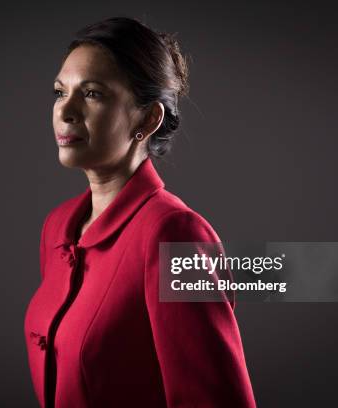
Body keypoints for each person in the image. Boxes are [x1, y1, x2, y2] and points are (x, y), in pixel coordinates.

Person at [24, 16, 256, 408]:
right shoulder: (59, 227)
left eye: (93, 94)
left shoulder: (175, 236)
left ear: (147, 119)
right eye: (60, 92)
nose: (66, 111)